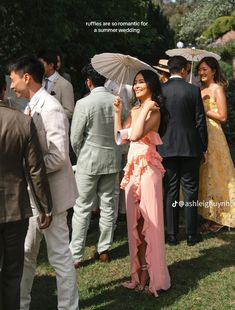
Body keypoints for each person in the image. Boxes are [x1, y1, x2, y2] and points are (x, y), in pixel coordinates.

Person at [8, 55, 79, 310]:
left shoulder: (50, 107)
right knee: (27, 255)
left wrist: (26, 169)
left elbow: (59, 157)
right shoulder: (30, 105)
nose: (11, 84)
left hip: (53, 197)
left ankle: (68, 307)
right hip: (33, 197)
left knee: (59, 256)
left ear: (26, 77)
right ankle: (21, 304)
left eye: (13, 78)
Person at [113, 69, 171, 296]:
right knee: (134, 225)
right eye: (135, 82)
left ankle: (157, 279)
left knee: (152, 224)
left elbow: (136, 135)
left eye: (141, 82)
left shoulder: (154, 109)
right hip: (132, 169)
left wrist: (146, 107)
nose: (136, 86)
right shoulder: (136, 109)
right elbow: (120, 137)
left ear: (151, 85)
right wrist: (118, 113)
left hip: (148, 168)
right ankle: (139, 274)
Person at [0, 72, 52, 310]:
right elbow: (35, 171)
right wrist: (45, 206)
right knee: (12, 272)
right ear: (3, 91)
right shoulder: (22, 121)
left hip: (14, 208)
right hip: (15, 208)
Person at [69, 64, 121, 267]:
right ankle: (104, 249)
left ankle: (76, 255)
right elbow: (120, 132)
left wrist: (83, 154)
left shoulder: (84, 103)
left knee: (82, 207)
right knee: (108, 205)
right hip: (112, 159)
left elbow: (75, 138)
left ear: (89, 82)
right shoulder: (116, 100)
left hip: (89, 160)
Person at [158, 56, 208, 246]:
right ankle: (191, 234)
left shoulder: (161, 90)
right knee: (190, 192)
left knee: (170, 191)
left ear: (170, 69)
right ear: (185, 69)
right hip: (190, 147)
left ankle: (171, 235)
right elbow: (200, 122)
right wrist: (203, 147)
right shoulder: (194, 90)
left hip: (166, 147)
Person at [197, 56, 235, 232]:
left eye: (205, 69)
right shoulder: (200, 89)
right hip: (202, 134)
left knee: (218, 174)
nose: (201, 72)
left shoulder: (217, 89)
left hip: (214, 135)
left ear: (213, 70)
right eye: (200, 69)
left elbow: (223, 116)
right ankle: (209, 215)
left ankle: (222, 216)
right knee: (206, 175)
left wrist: (205, 109)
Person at [38, 49, 74, 120]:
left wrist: (49, 113)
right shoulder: (38, 81)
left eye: (41, 64)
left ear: (51, 66)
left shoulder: (65, 85)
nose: (38, 67)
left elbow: (69, 112)